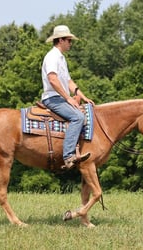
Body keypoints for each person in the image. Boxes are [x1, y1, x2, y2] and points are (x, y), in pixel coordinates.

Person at [41, 25, 95, 169]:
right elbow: (53, 79)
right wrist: (68, 98)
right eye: (69, 40)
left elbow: (69, 81)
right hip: (53, 98)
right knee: (78, 117)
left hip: (60, 98)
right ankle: (68, 156)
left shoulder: (61, 58)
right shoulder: (52, 57)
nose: (70, 43)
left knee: (83, 112)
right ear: (60, 40)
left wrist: (82, 96)